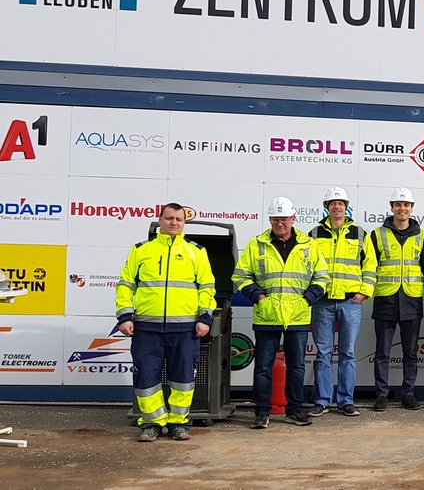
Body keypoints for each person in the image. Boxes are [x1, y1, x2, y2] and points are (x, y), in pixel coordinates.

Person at [116, 203, 216, 442]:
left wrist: (204, 318)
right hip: (146, 328)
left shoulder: (196, 251)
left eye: (179, 219)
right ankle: (151, 423)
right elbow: (126, 284)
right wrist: (125, 316)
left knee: (183, 379)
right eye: (169, 218)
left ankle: (178, 424)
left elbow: (207, 287)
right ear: (159, 220)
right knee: (146, 378)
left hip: (185, 328)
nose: (174, 223)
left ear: (184, 223)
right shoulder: (141, 250)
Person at [233, 197, 328, 429]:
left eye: (284, 219)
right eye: (275, 219)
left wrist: (308, 299)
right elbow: (240, 276)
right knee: (263, 368)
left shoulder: (309, 245)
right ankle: (261, 412)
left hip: (297, 315)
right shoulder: (257, 244)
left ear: (293, 219)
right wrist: (258, 296)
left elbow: (322, 277)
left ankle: (293, 411)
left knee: (297, 367)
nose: (279, 223)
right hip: (267, 315)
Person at [307, 187, 371, 418]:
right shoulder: (314, 234)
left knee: (348, 354)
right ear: (327, 207)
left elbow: (370, 266)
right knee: (323, 353)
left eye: (341, 203)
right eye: (333, 203)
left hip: (350, 303)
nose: (337, 207)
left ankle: (346, 401)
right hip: (322, 302)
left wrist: (363, 293)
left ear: (346, 207)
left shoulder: (360, 233)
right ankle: (322, 400)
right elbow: (306, 266)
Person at [367, 187, 424, 412]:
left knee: (410, 353)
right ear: (392, 207)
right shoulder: (377, 234)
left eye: (406, 205)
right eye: (398, 205)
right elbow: (371, 265)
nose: (402, 208)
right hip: (386, 299)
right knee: (382, 352)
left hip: (411, 300)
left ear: (411, 208)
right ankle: (381, 395)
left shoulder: (422, 235)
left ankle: (408, 394)